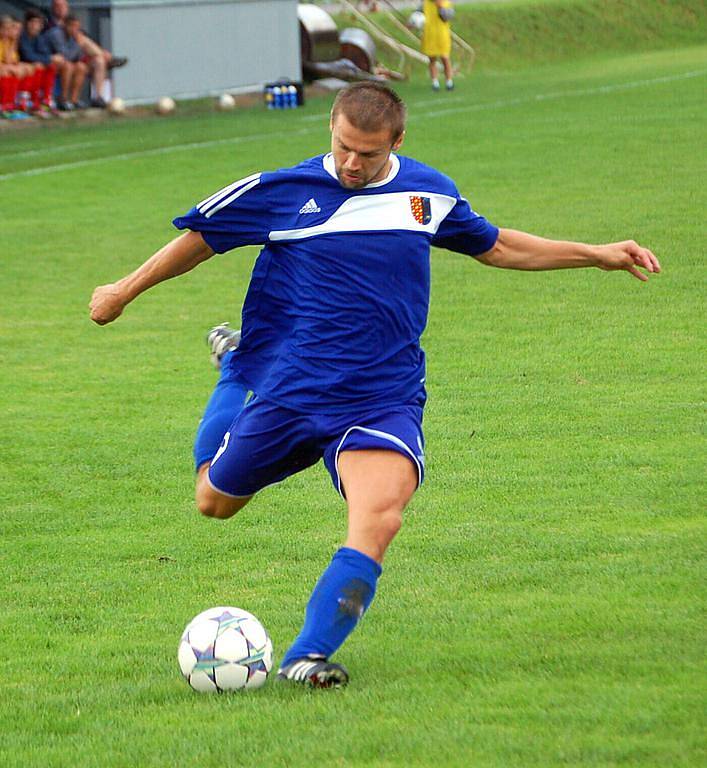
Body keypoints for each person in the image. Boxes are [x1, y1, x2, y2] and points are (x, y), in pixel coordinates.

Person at [89, 82, 660, 689]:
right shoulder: (283, 191)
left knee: (380, 518)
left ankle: (307, 656)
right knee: (214, 501)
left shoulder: (428, 193)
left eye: (367, 153)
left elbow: (497, 246)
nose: (352, 164)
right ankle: (237, 370)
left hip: (381, 397)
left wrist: (595, 253)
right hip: (293, 390)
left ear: (397, 141)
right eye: (343, 148)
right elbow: (199, 240)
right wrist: (123, 291)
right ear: (331, 129)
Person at [47, 0, 127, 109]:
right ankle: (109, 58)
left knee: (98, 60)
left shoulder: (76, 29)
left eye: (64, 6)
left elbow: (82, 48)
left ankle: (97, 97)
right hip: (58, 62)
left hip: (77, 59)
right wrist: (79, 44)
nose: (61, 9)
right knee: (80, 49)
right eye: (58, 6)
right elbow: (66, 55)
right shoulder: (51, 28)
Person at [18, 8, 62, 116]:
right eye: (32, 22)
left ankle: (46, 100)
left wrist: (49, 59)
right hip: (22, 67)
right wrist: (49, 58)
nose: (34, 26)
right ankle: (33, 103)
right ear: (26, 23)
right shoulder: (22, 37)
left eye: (38, 23)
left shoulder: (40, 38)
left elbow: (45, 53)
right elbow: (28, 56)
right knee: (38, 66)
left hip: (33, 66)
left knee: (51, 66)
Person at [43, 13, 86, 110]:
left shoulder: (74, 36)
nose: (75, 29)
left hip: (61, 63)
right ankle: (62, 99)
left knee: (81, 67)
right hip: (46, 61)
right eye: (72, 26)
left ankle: (74, 100)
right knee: (68, 66)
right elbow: (66, 56)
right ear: (65, 25)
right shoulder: (56, 34)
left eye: (77, 27)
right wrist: (78, 44)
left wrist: (77, 44)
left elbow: (78, 57)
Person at [421, 0, 454, 91]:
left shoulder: (446, 2)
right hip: (429, 35)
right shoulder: (425, 3)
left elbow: (447, 17)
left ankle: (449, 82)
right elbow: (418, 15)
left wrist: (441, 7)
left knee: (445, 58)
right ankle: (435, 83)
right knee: (432, 59)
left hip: (442, 35)